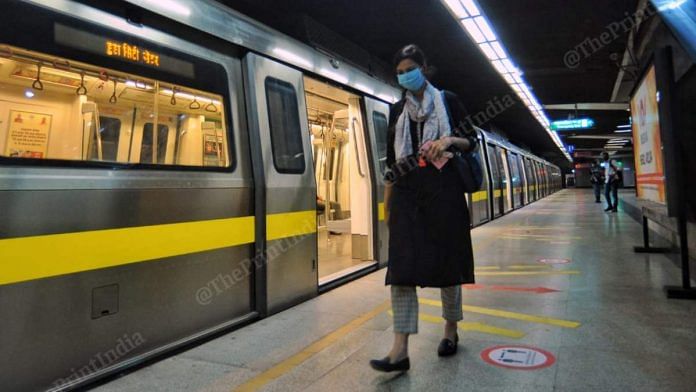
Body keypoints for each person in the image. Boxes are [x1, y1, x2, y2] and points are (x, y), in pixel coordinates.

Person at [369, 44, 477, 373]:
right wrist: (388, 204)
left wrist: (448, 141)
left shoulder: (448, 101)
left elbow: (470, 139)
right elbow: (391, 159)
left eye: (410, 69)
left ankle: (450, 330)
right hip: (406, 191)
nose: (405, 76)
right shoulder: (397, 111)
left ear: (424, 68)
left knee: (448, 265)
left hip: (443, 190)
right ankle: (399, 349)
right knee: (401, 269)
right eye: (400, 72)